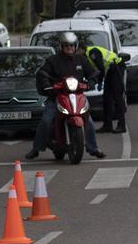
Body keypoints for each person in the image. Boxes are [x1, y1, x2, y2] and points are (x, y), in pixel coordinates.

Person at [26, 31, 106, 160]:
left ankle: (93, 148)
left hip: (78, 96)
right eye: (66, 45)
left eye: (72, 45)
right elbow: (43, 73)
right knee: (46, 120)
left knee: (89, 121)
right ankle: (36, 148)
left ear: (76, 46)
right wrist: (47, 85)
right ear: (61, 46)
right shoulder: (53, 60)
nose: (69, 48)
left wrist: (91, 82)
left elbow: (93, 73)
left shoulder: (81, 59)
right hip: (57, 96)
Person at [86, 38, 127, 134]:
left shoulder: (92, 52)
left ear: (80, 49)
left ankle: (122, 125)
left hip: (117, 67)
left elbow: (100, 67)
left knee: (117, 98)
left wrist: (100, 82)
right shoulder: (87, 55)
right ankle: (107, 125)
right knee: (107, 98)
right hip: (110, 70)